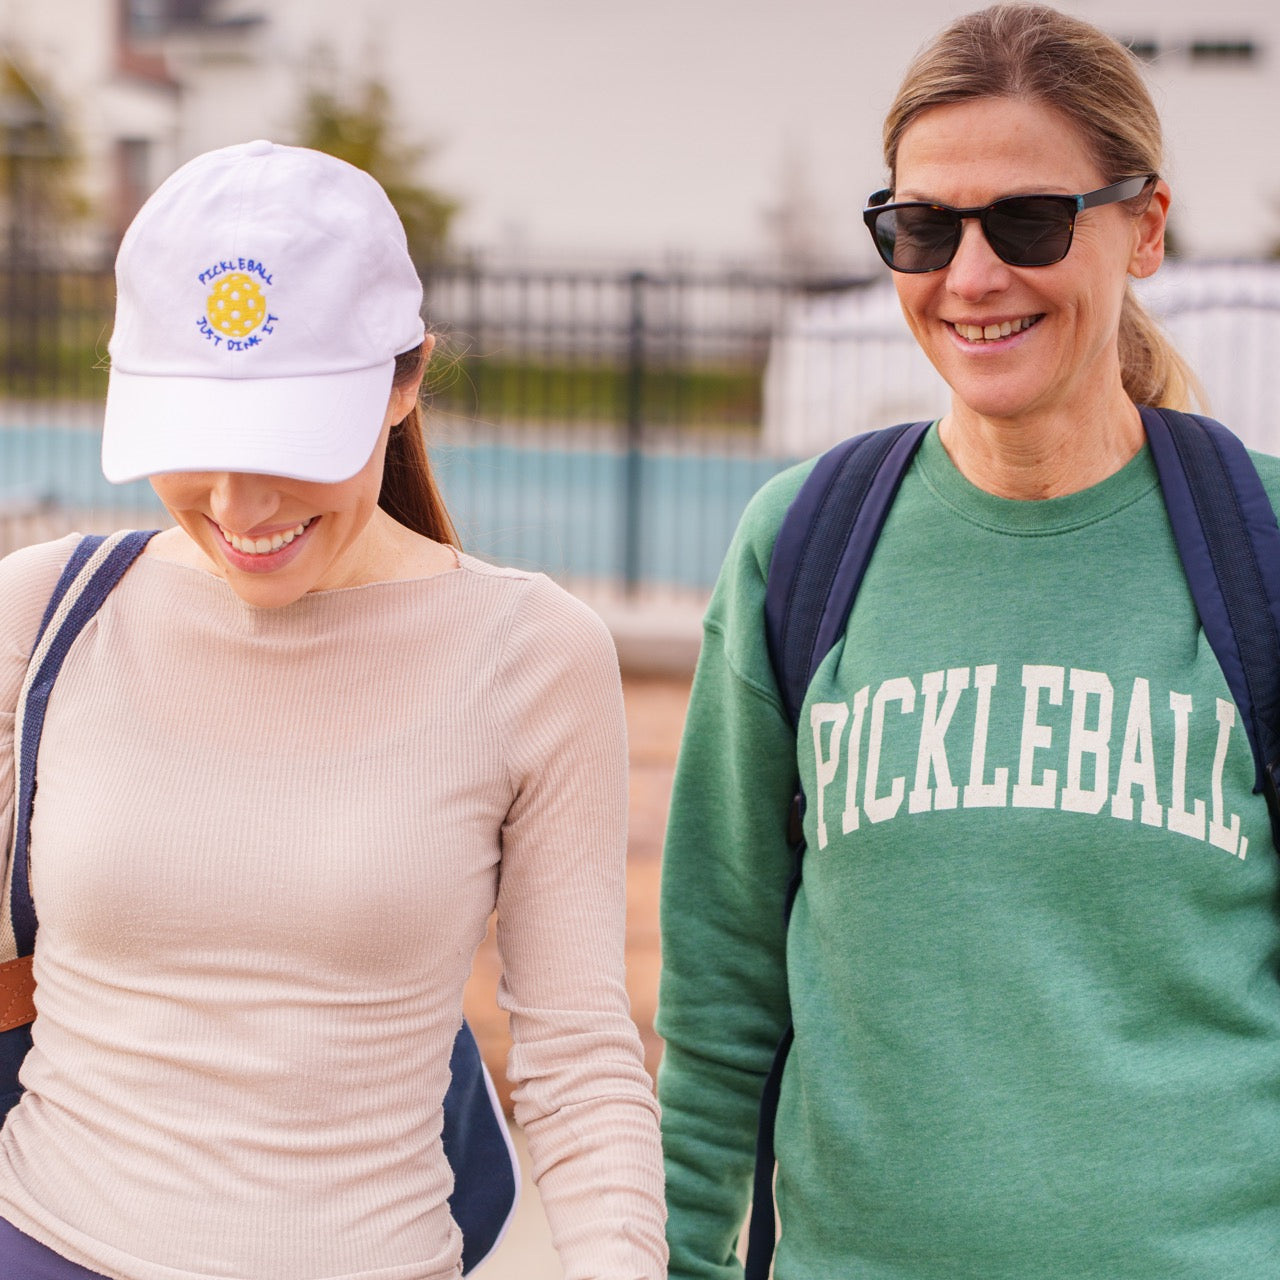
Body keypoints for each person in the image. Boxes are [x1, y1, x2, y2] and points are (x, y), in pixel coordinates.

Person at [657, 5, 1280, 1278]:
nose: (970, 275)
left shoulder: (1258, 545)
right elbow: (718, 1002)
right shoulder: (805, 543)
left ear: (1144, 227)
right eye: (921, 228)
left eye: (1029, 222)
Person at [0, 140, 666, 1280]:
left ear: (405, 380)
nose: (240, 503)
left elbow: (575, 1053)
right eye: (196, 440)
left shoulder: (531, 654)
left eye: (290, 445)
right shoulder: (44, 611)